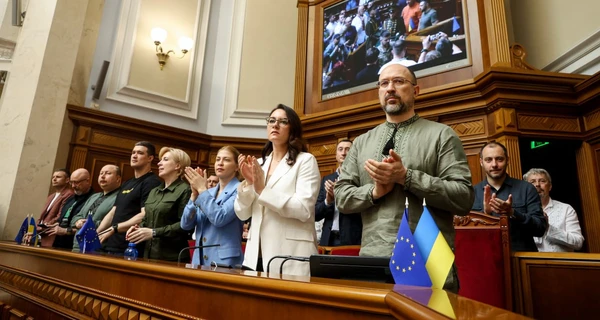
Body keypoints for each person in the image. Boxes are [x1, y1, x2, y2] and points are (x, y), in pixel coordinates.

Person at [334, 62, 474, 292]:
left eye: (398, 82)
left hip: (429, 257)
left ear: (416, 91)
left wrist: (407, 177)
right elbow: (341, 197)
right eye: (384, 83)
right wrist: (375, 191)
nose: (390, 88)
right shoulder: (361, 142)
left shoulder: (441, 135)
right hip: (374, 257)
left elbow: (463, 198)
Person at [234, 104, 320, 276]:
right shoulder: (258, 164)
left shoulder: (305, 161)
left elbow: (303, 209)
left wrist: (262, 189)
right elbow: (242, 214)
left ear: (292, 128)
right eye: (272, 120)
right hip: (254, 256)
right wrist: (249, 184)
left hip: (290, 254)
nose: (275, 125)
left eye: (282, 121)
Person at [471, 142, 547, 252]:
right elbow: (466, 233)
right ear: (481, 162)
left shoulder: (527, 189)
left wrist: (512, 213)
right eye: (488, 160)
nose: (494, 164)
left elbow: (540, 229)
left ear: (508, 160)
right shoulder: (472, 192)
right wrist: (486, 216)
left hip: (520, 259)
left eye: (499, 159)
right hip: (486, 258)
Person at [181, 145, 244, 267]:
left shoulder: (240, 189)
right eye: (218, 159)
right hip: (199, 259)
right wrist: (194, 196)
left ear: (237, 167)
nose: (220, 163)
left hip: (225, 261)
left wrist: (201, 189)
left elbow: (219, 218)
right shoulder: (208, 192)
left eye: (226, 160)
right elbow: (185, 225)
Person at [125, 147, 192, 261]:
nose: (159, 163)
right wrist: (138, 228)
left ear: (177, 166)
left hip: (172, 257)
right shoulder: (154, 191)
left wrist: (154, 232)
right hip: (149, 254)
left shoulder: (185, 190)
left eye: (165, 160)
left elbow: (184, 225)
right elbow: (147, 219)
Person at [98, 141, 162, 254]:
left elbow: (145, 215)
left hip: (130, 246)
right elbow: (113, 211)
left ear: (150, 158)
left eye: (140, 153)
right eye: (133, 152)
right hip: (111, 244)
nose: (134, 155)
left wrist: (115, 228)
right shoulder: (127, 183)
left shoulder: (151, 182)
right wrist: (96, 233)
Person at [523, 168, 584, 252]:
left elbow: (578, 243)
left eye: (542, 181)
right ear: (525, 188)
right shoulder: (521, 211)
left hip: (559, 264)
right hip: (527, 263)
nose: (537, 185)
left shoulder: (566, 209)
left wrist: (548, 228)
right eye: (532, 182)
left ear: (550, 186)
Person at [316, 140, 362, 246]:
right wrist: (328, 201)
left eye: (348, 149)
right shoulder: (327, 179)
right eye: (340, 149)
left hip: (352, 240)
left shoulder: (360, 178)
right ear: (336, 155)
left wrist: (343, 196)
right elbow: (316, 214)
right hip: (328, 239)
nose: (343, 153)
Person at [71, 164, 122, 252]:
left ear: (118, 178)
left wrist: (90, 224)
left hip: (99, 247)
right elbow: (76, 217)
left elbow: (115, 222)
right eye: (101, 173)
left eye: (107, 173)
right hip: (77, 246)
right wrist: (77, 222)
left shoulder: (121, 197)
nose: (102, 176)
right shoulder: (94, 196)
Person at [47, 168, 95, 249]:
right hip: (59, 242)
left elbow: (89, 227)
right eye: (71, 182)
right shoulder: (71, 198)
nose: (73, 186)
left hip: (76, 244)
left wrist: (66, 231)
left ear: (87, 181)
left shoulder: (93, 199)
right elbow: (64, 218)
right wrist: (56, 224)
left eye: (76, 182)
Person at [37, 169, 74, 247]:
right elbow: (42, 216)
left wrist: (44, 226)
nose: (54, 179)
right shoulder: (51, 196)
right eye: (53, 177)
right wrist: (36, 228)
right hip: (41, 233)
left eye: (58, 177)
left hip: (52, 235)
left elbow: (60, 216)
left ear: (67, 180)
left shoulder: (69, 194)